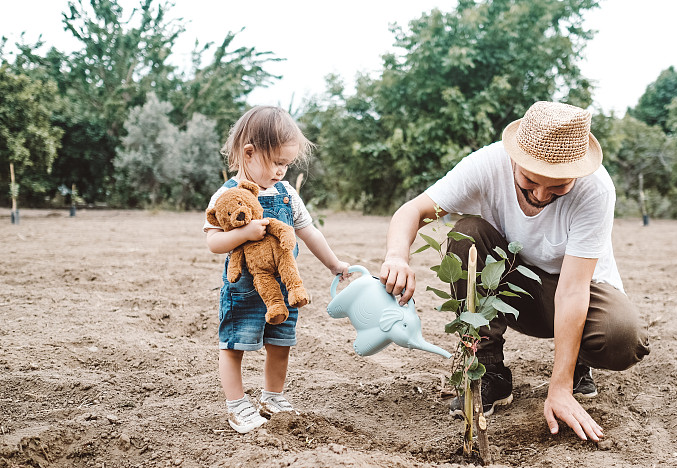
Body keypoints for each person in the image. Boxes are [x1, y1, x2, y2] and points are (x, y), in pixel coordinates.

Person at [380, 101, 650, 442]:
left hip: (570, 291)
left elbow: (572, 290)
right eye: (529, 181)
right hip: (510, 285)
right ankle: (489, 369)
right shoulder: (486, 164)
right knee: (467, 232)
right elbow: (413, 210)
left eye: (557, 188)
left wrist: (560, 387)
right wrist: (397, 257)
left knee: (622, 336)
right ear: (514, 158)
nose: (539, 195)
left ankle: (578, 364)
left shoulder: (596, 189)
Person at [205, 106, 350, 434]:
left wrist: (334, 264)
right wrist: (244, 233)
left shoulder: (287, 195)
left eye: (287, 164)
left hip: (282, 289)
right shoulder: (227, 195)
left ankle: (273, 397)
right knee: (233, 345)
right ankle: (236, 405)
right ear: (250, 153)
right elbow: (213, 241)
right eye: (277, 163)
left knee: (281, 343)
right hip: (243, 289)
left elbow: (309, 231)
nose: (282, 171)